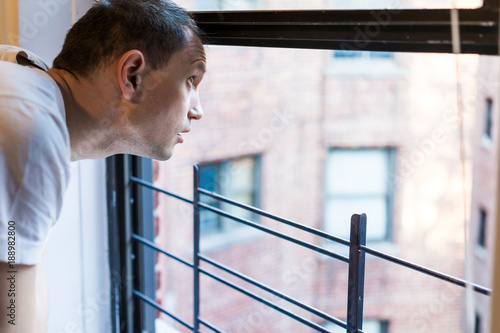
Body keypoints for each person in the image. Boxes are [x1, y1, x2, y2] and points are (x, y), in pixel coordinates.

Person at [0, 0, 206, 332]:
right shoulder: (32, 131)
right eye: (191, 81)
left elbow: (24, 266)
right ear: (133, 76)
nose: (198, 110)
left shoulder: (21, 72)